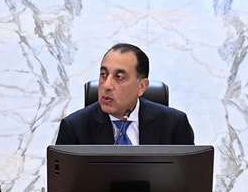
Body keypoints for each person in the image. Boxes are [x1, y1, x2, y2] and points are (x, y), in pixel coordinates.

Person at [55, 43, 195, 145]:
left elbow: (190, 176)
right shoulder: (74, 128)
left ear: (141, 86)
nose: (106, 85)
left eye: (119, 77)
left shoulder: (175, 125)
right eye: (103, 74)